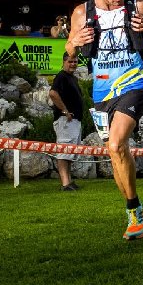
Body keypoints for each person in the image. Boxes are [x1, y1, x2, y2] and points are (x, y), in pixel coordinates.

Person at [65, 0, 143, 241]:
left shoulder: (139, 6)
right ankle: (136, 209)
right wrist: (75, 43)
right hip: (102, 91)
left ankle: (133, 213)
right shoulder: (81, 12)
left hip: (134, 82)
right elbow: (69, 50)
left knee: (115, 143)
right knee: (115, 152)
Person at [48, 52, 84, 191]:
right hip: (66, 121)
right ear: (64, 62)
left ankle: (68, 180)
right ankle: (65, 183)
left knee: (69, 152)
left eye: (75, 62)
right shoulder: (61, 76)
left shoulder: (72, 78)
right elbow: (53, 93)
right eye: (70, 61)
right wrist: (64, 111)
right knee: (64, 151)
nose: (73, 64)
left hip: (74, 121)